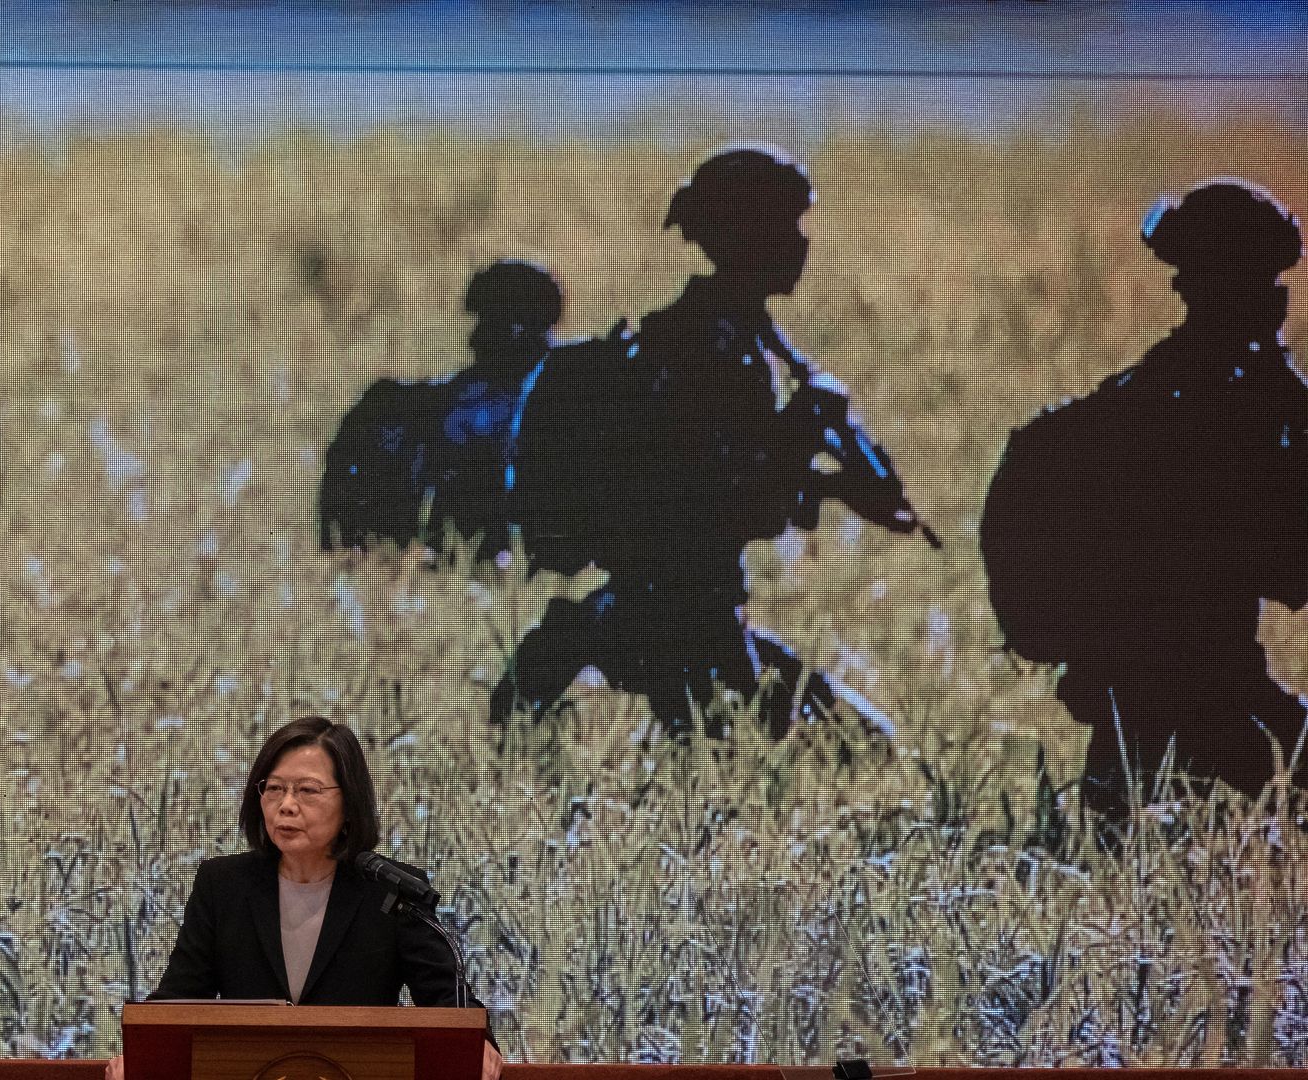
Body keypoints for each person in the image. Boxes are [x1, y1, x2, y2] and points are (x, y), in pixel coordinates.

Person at [495, 147, 927, 739]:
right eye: (785, 229)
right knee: (789, 740)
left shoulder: (744, 340)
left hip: (698, 601)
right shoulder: (717, 350)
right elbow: (716, 495)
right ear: (748, 238)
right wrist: (822, 475)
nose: (800, 245)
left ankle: (587, 634)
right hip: (682, 607)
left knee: (850, 736)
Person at [981, 179, 1308, 829]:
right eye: (1262, 284)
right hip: (1176, 694)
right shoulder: (1199, 409)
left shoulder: (1206, 391)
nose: (1278, 302)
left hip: (1197, 684)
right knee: (1149, 834)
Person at [105, 716, 501, 1080]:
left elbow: (448, 1003)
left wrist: (479, 1045)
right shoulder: (223, 884)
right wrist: (142, 1056)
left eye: (307, 790)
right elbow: (180, 1000)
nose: (286, 805)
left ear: (348, 803)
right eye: (274, 788)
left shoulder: (391, 890)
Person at [319, 260, 562, 562]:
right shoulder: (440, 399)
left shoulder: (562, 397)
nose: (478, 338)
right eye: (486, 322)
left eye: (497, 323)